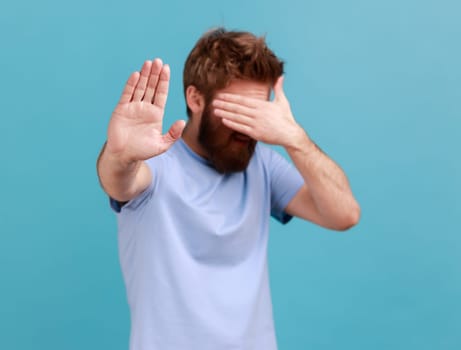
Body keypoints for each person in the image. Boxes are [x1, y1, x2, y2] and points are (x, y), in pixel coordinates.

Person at [97, 28, 360, 350]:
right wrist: (119, 156)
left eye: (259, 112)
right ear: (196, 99)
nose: (250, 127)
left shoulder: (262, 164)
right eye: (237, 110)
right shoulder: (156, 165)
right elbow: (120, 180)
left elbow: (344, 214)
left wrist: (295, 138)